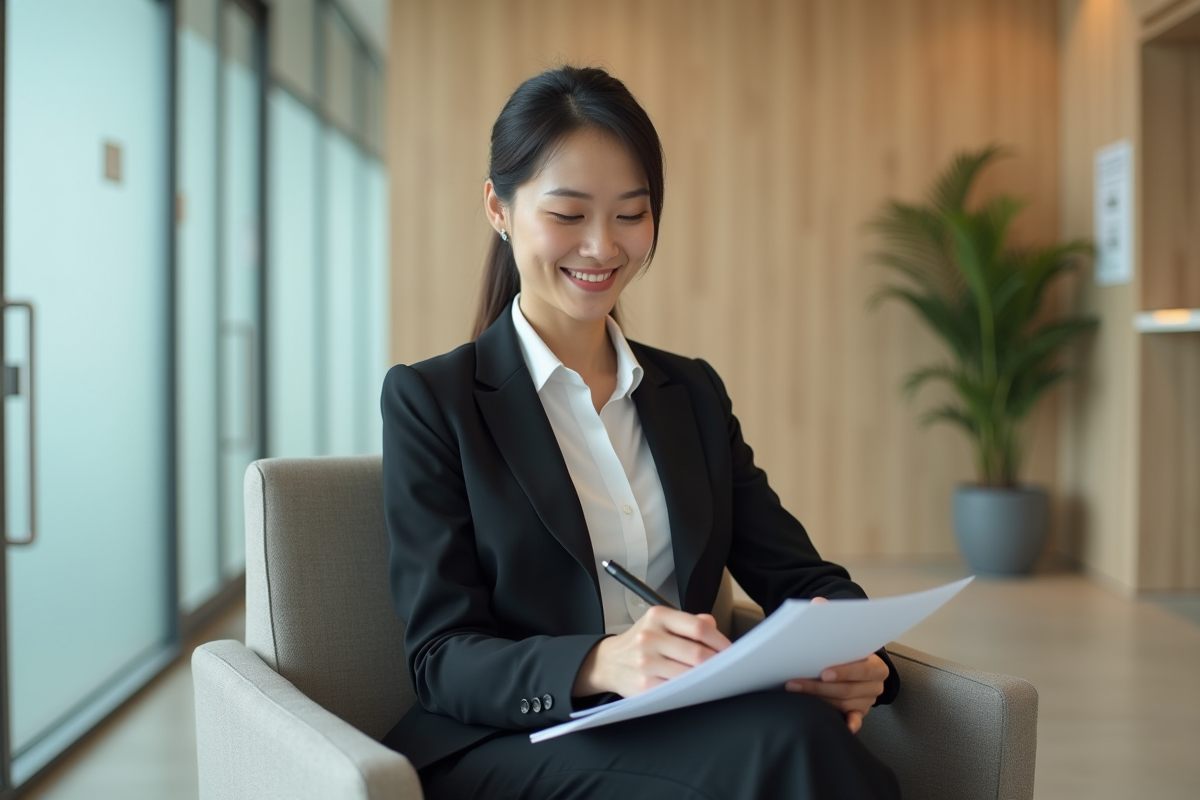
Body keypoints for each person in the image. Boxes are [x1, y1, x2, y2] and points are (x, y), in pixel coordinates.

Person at [380, 65, 901, 799]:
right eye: (568, 214)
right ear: (498, 207)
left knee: (799, 741)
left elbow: (804, 579)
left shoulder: (689, 393)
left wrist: (856, 652)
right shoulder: (433, 400)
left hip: (679, 720)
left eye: (631, 214)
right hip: (513, 741)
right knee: (789, 753)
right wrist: (601, 662)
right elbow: (442, 656)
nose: (603, 247)